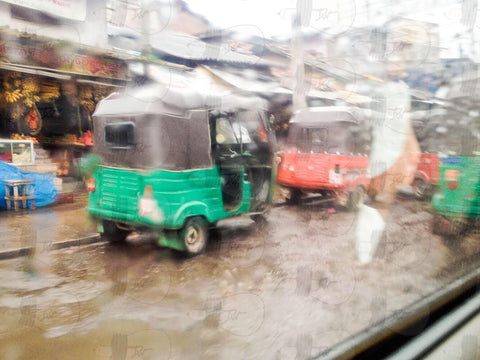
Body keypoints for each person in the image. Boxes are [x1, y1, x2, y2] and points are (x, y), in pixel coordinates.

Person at [356, 59, 421, 264]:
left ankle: (369, 251)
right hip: (382, 152)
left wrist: (411, 150)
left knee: (383, 200)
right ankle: (366, 251)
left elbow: (406, 123)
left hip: (394, 151)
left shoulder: (403, 91)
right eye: (391, 64)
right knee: (376, 200)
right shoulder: (379, 90)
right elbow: (374, 125)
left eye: (399, 64)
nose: (395, 68)